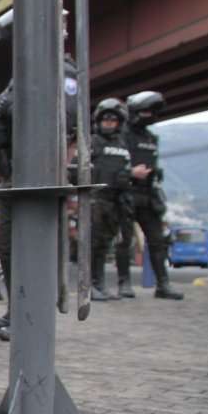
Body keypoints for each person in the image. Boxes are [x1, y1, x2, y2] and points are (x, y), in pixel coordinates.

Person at [0, 8, 79, 340]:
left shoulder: (61, 70)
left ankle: (35, 317)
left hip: (40, 174)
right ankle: (17, 310)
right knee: (6, 246)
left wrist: (10, 107)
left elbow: (64, 116)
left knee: (38, 245)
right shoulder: (22, 74)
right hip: (12, 174)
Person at [114, 91, 183, 300]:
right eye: (144, 111)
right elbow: (111, 167)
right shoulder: (121, 135)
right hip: (127, 193)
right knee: (124, 241)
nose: (148, 115)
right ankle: (124, 284)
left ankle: (163, 284)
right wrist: (130, 172)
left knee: (157, 241)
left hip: (148, 195)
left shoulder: (151, 138)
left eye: (151, 112)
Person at [84, 99, 133, 301]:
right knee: (92, 244)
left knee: (105, 245)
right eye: (106, 120)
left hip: (115, 201)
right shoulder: (92, 142)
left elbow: (126, 172)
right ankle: (90, 286)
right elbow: (77, 167)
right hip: (96, 199)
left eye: (113, 120)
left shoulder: (122, 145)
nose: (109, 123)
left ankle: (100, 285)